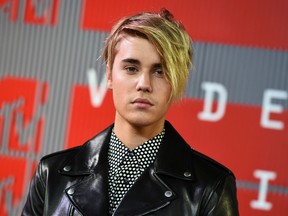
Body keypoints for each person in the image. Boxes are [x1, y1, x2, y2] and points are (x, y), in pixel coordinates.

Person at [22, 8, 239, 216]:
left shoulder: (211, 186)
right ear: (109, 75)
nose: (144, 84)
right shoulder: (52, 173)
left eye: (160, 71)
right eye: (131, 68)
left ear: (177, 82)